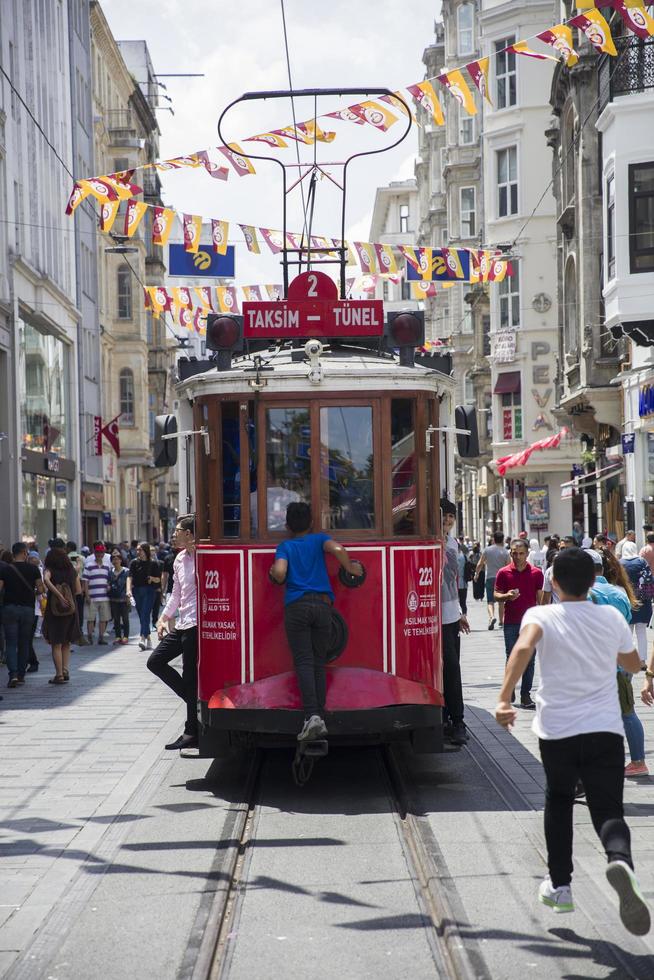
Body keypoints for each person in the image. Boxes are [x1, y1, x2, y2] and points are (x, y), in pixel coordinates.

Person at [495, 548, 650, 935]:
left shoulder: (541, 615)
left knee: (560, 800)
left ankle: (560, 885)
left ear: (554, 582)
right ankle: (620, 861)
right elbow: (631, 664)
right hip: (604, 728)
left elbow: (522, 648)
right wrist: (640, 668)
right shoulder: (611, 617)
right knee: (609, 808)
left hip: (558, 729)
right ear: (595, 578)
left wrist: (504, 698)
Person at [269, 502, 363, 741]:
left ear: (288, 525)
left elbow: (280, 573)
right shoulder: (319, 539)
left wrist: (273, 573)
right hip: (323, 607)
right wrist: (350, 566)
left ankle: (312, 716)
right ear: (311, 523)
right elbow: (339, 549)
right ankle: (319, 715)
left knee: (303, 661)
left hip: (297, 607)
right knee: (319, 662)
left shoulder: (285, 546)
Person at [586, 549, 648, 778]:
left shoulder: (585, 593)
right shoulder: (620, 593)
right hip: (621, 662)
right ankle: (638, 761)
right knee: (627, 712)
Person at [150, 517, 200, 751]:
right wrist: (163, 618)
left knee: (190, 676)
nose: (174, 534)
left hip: (197, 625)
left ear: (189, 534)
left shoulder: (203, 556)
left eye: (178, 531)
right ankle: (194, 703)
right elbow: (176, 595)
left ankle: (192, 730)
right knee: (155, 661)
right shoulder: (179, 559)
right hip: (182, 623)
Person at [494, 538, 544, 709]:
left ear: (527, 553)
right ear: (510, 553)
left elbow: (540, 599)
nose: (518, 556)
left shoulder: (537, 573)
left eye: (521, 553)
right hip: (511, 622)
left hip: (531, 623)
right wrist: (506, 596)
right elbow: (496, 595)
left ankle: (525, 695)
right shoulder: (503, 572)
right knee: (511, 657)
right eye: (514, 553)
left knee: (530, 660)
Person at [438, 499, 471, 746]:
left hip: (450, 614)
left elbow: (454, 579)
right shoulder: (433, 540)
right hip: (430, 614)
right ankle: (445, 718)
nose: (448, 521)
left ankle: (457, 720)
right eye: (444, 516)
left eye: (451, 517)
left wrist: (461, 611)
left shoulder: (452, 542)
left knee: (452, 667)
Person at [0, 543, 45, 687]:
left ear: (13, 553)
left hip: (9, 609)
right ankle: (21, 675)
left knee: (11, 643)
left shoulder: (6, 569)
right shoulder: (33, 569)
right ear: (25, 553)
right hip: (27, 610)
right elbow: (41, 589)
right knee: (24, 642)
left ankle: (12, 675)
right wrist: (33, 591)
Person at [42, 539, 82, 684]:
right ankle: (65, 670)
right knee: (66, 642)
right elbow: (78, 591)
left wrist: (58, 595)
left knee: (56, 643)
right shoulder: (71, 571)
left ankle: (58, 674)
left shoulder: (49, 570)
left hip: (54, 611)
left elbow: (46, 580)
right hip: (71, 610)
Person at [619, 541, 652, 663]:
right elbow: (649, 579)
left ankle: (629, 660)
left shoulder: (620, 563)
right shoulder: (642, 562)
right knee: (641, 632)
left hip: (626, 600)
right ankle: (643, 660)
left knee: (628, 632)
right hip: (642, 600)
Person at [126, 543, 161, 650]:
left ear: (145, 551)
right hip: (137, 591)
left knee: (145, 613)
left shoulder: (154, 563)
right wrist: (128, 590)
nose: (138, 552)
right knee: (142, 615)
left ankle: (142, 638)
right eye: (137, 550)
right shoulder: (134, 563)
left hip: (150, 591)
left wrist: (152, 578)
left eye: (140, 550)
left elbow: (158, 579)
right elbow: (129, 577)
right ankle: (149, 638)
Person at [475, 531, 510, 630]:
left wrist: (476, 574)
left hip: (490, 578)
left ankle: (491, 617)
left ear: (494, 539)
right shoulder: (505, 552)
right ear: (502, 540)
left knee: (490, 601)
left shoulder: (487, 550)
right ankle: (501, 622)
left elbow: (480, 564)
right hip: (501, 578)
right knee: (501, 601)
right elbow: (509, 566)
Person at [83, 542, 111, 644]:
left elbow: (109, 580)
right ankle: (90, 637)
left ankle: (101, 637)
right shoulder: (89, 566)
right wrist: (87, 595)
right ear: (94, 553)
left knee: (103, 618)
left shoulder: (107, 566)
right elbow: (85, 582)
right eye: (97, 552)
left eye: (101, 552)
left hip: (104, 597)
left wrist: (109, 586)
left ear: (104, 553)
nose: (99, 554)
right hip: (92, 597)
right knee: (91, 618)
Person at [540, 536, 575, 605]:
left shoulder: (582, 569)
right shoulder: (550, 571)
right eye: (562, 548)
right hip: (557, 613)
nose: (565, 551)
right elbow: (545, 599)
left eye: (568, 549)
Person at [67, 542, 87, 645]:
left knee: (71, 610)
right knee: (79, 610)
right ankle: (79, 630)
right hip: (79, 588)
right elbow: (84, 574)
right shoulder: (82, 558)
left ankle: (74, 631)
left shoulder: (65, 558)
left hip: (69, 589)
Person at [108, 550, 130, 645]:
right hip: (113, 599)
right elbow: (108, 583)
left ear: (121, 560)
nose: (116, 560)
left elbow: (129, 584)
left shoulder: (126, 571)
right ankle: (117, 636)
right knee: (116, 619)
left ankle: (125, 636)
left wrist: (129, 596)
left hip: (124, 598)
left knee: (125, 618)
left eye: (117, 559)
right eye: (114, 559)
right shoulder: (110, 572)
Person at [457, 542, 469, 616]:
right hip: (464, 583)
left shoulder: (453, 556)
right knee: (463, 602)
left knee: (456, 603)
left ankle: (459, 617)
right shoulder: (464, 557)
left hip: (454, 584)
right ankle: (464, 616)